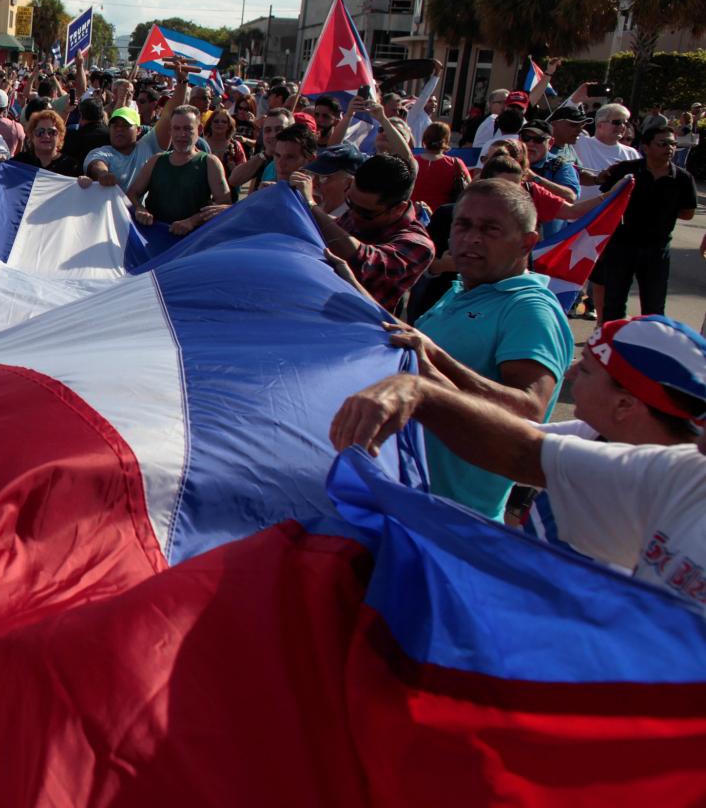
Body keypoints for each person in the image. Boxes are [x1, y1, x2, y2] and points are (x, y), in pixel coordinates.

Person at [329, 315, 706, 614]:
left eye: (587, 369)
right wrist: (420, 384)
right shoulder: (673, 473)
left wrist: (423, 387)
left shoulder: (667, 480)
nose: (570, 373)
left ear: (625, 405)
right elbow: (516, 444)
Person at [390, 179, 574, 520]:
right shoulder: (463, 289)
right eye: (464, 225)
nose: (472, 238)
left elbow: (528, 410)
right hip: (410, 504)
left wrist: (434, 363)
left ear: (527, 242)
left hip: (458, 522)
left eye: (491, 229)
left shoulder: (529, 310)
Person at [292, 152, 432, 314]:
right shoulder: (360, 211)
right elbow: (336, 228)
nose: (353, 215)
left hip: (356, 330)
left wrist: (310, 205)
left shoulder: (418, 245)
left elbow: (363, 260)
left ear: (398, 208)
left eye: (365, 212)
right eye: (350, 203)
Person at [591, 124, 698, 322]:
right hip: (622, 246)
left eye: (673, 144)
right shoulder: (626, 171)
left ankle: (651, 347)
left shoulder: (682, 178)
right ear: (646, 147)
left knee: (654, 306)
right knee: (613, 304)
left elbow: (687, 213)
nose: (670, 148)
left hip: (656, 250)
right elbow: (606, 199)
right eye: (663, 143)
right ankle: (610, 347)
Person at [127, 106, 231, 234]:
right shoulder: (156, 161)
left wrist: (193, 221)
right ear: (170, 130)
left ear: (199, 129)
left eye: (188, 129)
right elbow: (132, 193)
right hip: (153, 237)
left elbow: (224, 205)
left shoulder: (210, 163)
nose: (182, 134)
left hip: (190, 241)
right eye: (176, 128)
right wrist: (139, 208)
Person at [574, 103, 640, 197]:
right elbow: (559, 122)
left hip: (615, 209)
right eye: (617, 122)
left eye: (625, 123)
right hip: (582, 209)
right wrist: (576, 99)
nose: (622, 126)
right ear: (600, 125)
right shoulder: (581, 142)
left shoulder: (631, 153)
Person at [411, 121, 469, 212]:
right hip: (441, 219)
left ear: (425, 139)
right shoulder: (455, 164)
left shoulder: (411, 162)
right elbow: (469, 190)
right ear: (446, 140)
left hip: (414, 216)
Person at [12, 110, 82, 176]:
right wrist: (1, 161)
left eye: (51, 132)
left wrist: (85, 182)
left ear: (60, 136)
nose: (46, 136)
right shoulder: (19, 162)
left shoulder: (71, 166)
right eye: (40, 132)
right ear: (31, 136)